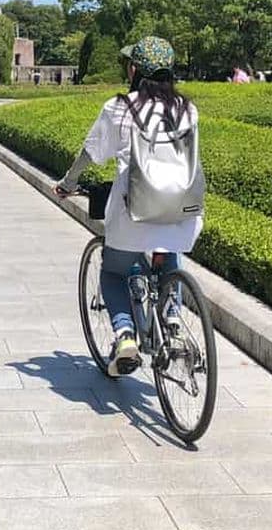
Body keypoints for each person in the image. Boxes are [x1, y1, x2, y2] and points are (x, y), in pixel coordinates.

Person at [53, 36, 202, 377]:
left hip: (133, 209)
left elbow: (91, 153)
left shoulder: (120, 107)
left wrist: (68, 184)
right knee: (168, 253)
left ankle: (124, 335)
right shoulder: (187, 109)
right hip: (182, 210)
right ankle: (173, 323)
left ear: (134, 70)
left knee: (113, 271)